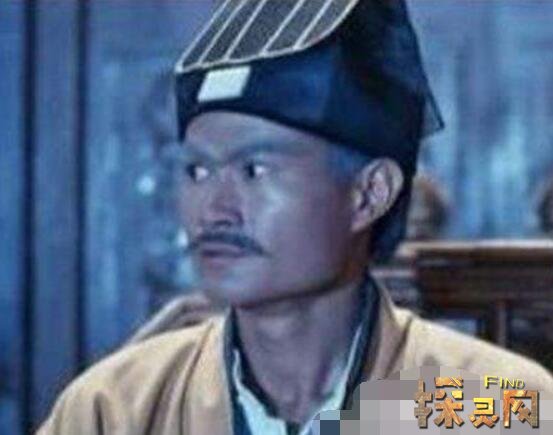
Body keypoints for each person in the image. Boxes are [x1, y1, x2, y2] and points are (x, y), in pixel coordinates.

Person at [37, 1, 553, 434]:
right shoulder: (114, 408)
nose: (213, 209)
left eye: (254, 169)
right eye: (197, 171)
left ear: (369, 194)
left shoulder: (494, 407)